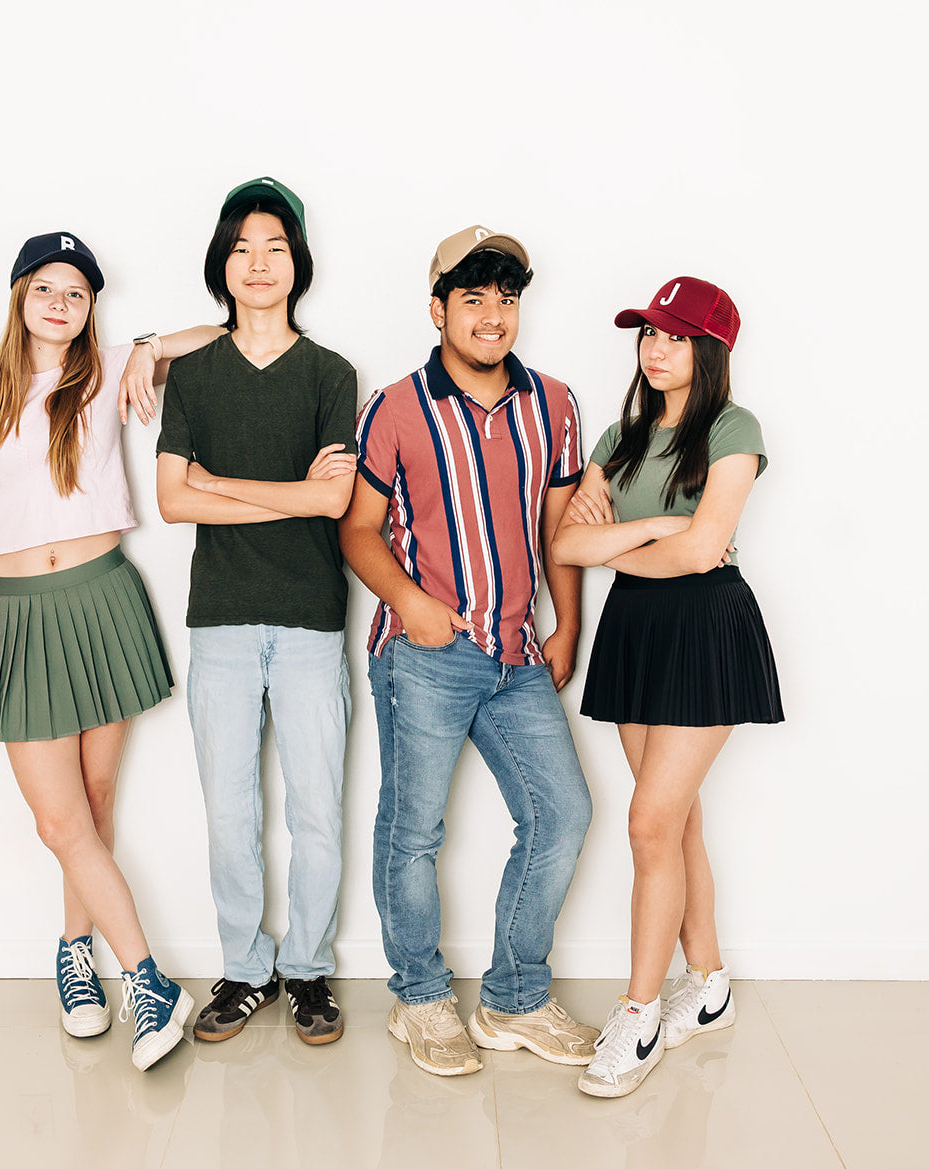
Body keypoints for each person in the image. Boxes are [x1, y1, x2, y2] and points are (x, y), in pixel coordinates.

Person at [0, 231, 220, 1071]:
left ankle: (75, 955)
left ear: (92, 306)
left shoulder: (102, 376)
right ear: (20, 296)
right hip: (18, 616)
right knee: (59, 819)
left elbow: (224, 331)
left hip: (100, 600)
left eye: (78, 292)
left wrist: (145, 346)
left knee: (94, 802)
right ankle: (148, 977)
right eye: (46, 288)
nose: (60, 304)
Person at [339, 226, 598, 1077]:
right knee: (412, 831)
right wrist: (410, 602)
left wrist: (567, 624)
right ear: (438, 308)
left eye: (507, 297)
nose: (493, 315)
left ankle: (514, 998)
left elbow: (560, 527)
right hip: (426, 653)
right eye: (474, 298)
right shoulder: (396, 405)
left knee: (560, 814)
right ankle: (418, 999)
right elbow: (358, 529)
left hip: (519, 653)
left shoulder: (554, 403)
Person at [552, 276, 783, 1098]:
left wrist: (616, 544)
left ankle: (639, 1012)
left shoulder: (732, 427)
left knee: (648, 821)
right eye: (648, 332)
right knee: (674, 820)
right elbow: (566, 546)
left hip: (705, 627)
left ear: (709, 349)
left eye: (675, 336)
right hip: (637, 631)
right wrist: (651, 527)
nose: (655, 348)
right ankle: (708, 986)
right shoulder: (621, 433)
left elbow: (704, 552)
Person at [155, 178, 358, 1047]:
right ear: (222, 264)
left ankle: (308, 968)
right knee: (229, 810)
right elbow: (170, 501)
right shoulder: (194, 375)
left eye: (274, 247)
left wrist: (217, 485)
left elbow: (335, 499)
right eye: (242, 247)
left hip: (313, 619)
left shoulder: (331, 372)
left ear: (298, 263)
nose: (258, 262)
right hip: (224, 620)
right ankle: (246, 968)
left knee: (317, 808)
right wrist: (291, 495)